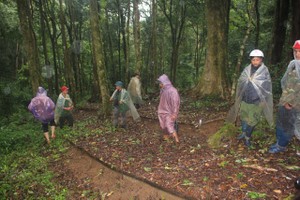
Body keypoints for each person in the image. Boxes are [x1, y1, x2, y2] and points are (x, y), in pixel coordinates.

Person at [227, 49, 273, 147]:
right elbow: (241, 82)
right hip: (245, 99)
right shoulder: (247, 70)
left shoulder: (264, 72)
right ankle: (243, 133)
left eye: (257, 60)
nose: (255, 62)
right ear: (251, 60)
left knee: (252, 121)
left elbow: (266, 88)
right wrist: (240, 96)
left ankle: (248, 137)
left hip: (257, 102)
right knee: (244, 117)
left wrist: (263, 100)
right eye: (253, 60)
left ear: (261, 60)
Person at [269, 40, 300, 154]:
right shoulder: (293, 64)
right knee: (281, 122)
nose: (297, 54)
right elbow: (285, 82)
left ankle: (281, 145)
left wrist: (290, 103)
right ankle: (280, 143)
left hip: (294, 104)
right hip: (285, 100)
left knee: (289, 125)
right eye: (296, 51)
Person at [157, 74, 180, 143]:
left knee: (169, 126)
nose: (160, 85)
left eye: (161, 83)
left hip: (169, 113)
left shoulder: (173, 91)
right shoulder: (163, 90)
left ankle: (177, 141)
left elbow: (175, 103)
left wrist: (174, 113)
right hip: (162, 111)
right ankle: (166, 139)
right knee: (163, 126)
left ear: (165, 82)